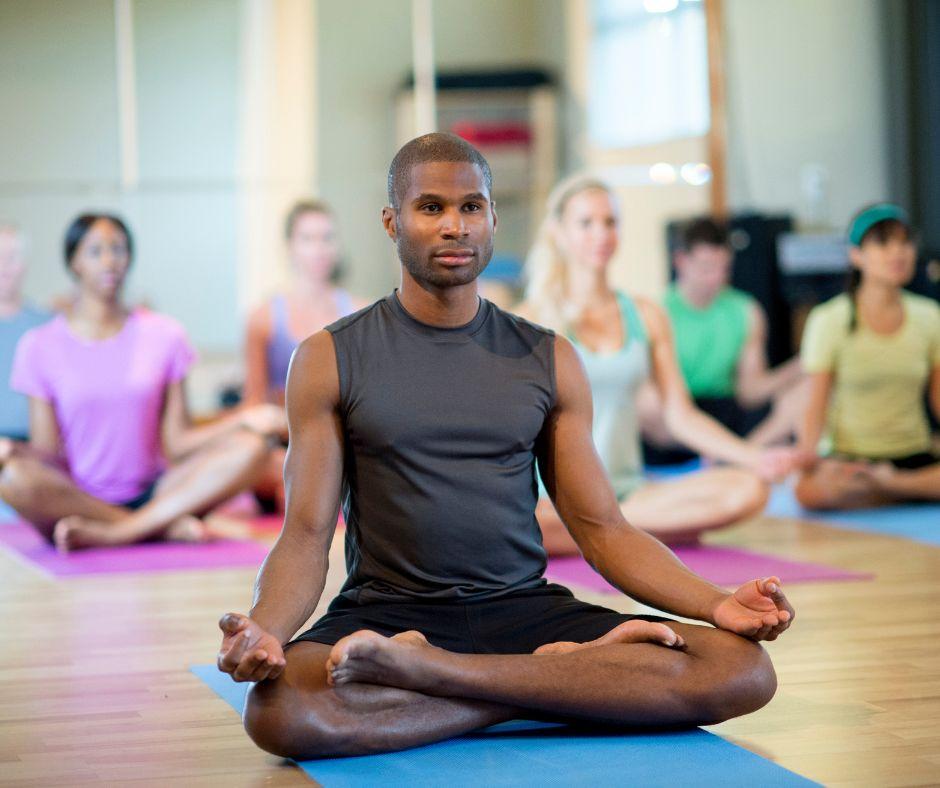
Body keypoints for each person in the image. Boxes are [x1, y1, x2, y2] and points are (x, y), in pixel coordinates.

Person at [215, 133, 794, 761]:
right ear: (392, 221)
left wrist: (716, 604)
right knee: (278, 711)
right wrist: (267, 632)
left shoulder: (548, 357)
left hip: (524, 611)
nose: (454, 226)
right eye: (430, 208)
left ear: (492, 218)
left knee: (741, 668)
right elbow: (303, 535)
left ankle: (436, 675)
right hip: (390, 613)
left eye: (471, 207)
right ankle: (556, 685)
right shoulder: (328, 357)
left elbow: (603, 529)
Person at [515, 176, 796, 553]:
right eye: (586, 223)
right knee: (514, 519)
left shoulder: (646, 315)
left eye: (610, 222)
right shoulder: (528, 321)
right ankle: (627, 533)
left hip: (628, 494)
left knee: (748, 490)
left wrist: (754, 457)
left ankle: (605, 532)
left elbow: (680, 415)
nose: (601, 233)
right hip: (552, 498)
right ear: (559, 232)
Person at [0, 213, 286, 550]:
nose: (109, 261)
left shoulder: (164, 334)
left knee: (253, 448)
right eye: (95, 251)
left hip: (159, 491)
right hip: (79, 495)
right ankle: (158, 528)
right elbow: (49, 452)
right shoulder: (40, 345)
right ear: (74, 262)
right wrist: (13, 449)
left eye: (118, 249)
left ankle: (118, 532)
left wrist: (242, 419)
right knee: (14, 478)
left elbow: (178, 442)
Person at [794, 204, 940, 508]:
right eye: (883, 243)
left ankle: (891, 486)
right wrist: (808, 460)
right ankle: (899, 490)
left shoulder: (930, 317)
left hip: (912, 455)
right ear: (856, 255)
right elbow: (815, 406)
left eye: (904, 242)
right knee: (807, 491)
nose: (897, 252)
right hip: (851, 460)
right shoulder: (829, 319)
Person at [642, 218, 807, 463]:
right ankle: (730, 454)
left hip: (728, 411)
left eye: (724, 268)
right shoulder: (656, 311)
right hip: (678, 417)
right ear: (681, 262)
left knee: (809, 388)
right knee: (646, 401)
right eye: (707, 268)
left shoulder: (746, 310)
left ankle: (738, 455)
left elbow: (750, 392)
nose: (716, 278)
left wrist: (803, 365)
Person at [243, 200, 364, 512]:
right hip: (286, 442)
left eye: (327, 238)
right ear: (290, 247)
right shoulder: (264, 318)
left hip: (344, 440)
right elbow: (253, 405)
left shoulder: (360, 312)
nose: (319, 249)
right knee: (261, 461)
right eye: (308, 239)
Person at [0, 224, 50, 442]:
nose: (3, 267)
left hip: (32, 452)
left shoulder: (48, 327)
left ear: (24, 265)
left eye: (11, 258)